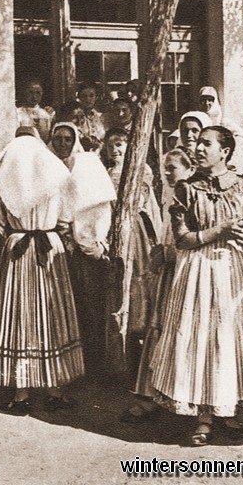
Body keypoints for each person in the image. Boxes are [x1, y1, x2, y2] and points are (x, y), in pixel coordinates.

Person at [150, 128, 243, 444]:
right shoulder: (186, 189)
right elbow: (182, 238)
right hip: (197, 268)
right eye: (198, 142)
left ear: (225, 151)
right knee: (201, 336)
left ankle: (228, 411)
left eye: (207, 143)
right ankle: (202, 417)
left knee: (231, 336)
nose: (198, 147)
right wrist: (221, 231)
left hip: (234, 268)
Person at [0, 131, 84, 414]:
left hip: (18, 248)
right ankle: (54, 388)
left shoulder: (3, 182)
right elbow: (67, 215)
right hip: (47, 247)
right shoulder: (55, 175)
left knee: (20, 315)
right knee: (49, 314)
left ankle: (21, 392)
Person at [122, 147, 195, 423]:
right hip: (168, 271)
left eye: (173, 167)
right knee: (157, 330)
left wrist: (168, 254)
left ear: (189, 169)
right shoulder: (168, 195)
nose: (167, 172)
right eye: (165, 167)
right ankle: (151, 396)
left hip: (185, 270)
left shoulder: (192, 194)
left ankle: (180, 396)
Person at [50, 122, 116, 376]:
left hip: (82, 248)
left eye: (68, 139)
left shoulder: (84, 167)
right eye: (58, 139)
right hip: (57, 246)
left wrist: (84, 240)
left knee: (89, 306)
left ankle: (93, 363)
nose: (63, 144)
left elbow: (93, 209)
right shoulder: (48, 166)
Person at [102, 127, 162, 376]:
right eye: (111, 146)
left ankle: (138, 349)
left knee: (137, 281)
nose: (115, 150)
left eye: (120, 145)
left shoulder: (141, 170)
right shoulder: (106, 172)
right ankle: (119, 356)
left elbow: (140, 201)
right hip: (112, 226)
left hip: (134, 228)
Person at [197, 86, 243, 173]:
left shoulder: (222, 121)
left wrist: (225, 144)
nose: (206, 103)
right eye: (203, 100)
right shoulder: (197, 119)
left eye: (210, 100)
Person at [76, 82, 106, 150]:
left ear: (96, 97)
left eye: (91, 96)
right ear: (79, 98)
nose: (88, 99)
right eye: (84, 96)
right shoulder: (74, 117)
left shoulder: (101, 118)